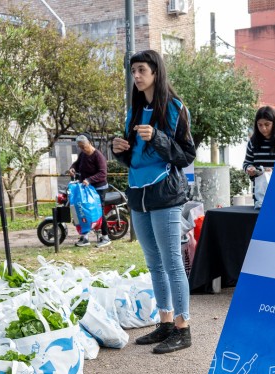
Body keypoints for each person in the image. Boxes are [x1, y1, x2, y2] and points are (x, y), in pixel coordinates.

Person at [112, 50, 196, 354]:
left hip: (165, 195)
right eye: (133, 71)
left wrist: (157, 137)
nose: (136, 76)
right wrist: (118, 148)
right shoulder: (132, 113)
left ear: (156, 73)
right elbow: (131, 158)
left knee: (173, 263)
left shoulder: (175, 108)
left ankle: (182, 328)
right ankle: (164, 323)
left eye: (141, 70)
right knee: (154, 264)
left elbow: (186, 155)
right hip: (138, 197)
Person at [69, 135, 111, 247]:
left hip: (98, 188)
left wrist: (90, 179)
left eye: (83, 146)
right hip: (86, 188)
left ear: (89, 143)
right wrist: (72, 168)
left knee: (99, 211)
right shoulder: (83, 154)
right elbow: (77, 164)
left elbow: (103, 173)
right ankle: (85, 237)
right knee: (82, 210)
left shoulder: (98, 156)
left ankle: (105, 237)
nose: (82, 149)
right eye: (80, 147)